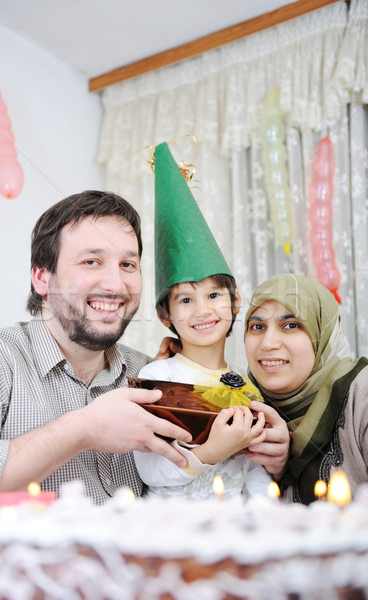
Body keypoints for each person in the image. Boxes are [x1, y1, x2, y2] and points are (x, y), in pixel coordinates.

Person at [0, 190, 193, 516]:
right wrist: (82, 429)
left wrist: (260, 445)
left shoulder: (150, 372)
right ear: (42, 277)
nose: (116, 285)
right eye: (91, 261)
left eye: (128, 264)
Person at [133, 141, 272, 500]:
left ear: (235, 301)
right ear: (165, 316)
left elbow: (255, 473)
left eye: (213, 295)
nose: (202, 311)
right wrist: (213, 450)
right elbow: (150, 472)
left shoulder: (246, 383)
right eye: (185, 300)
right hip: (178, 538)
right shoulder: (159, 380)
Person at [244, 272, 368, 504]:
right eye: (257, 326)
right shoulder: (242, 406)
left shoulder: (362, 395)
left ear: (322, 333)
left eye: (291, 325)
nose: (268, 343)